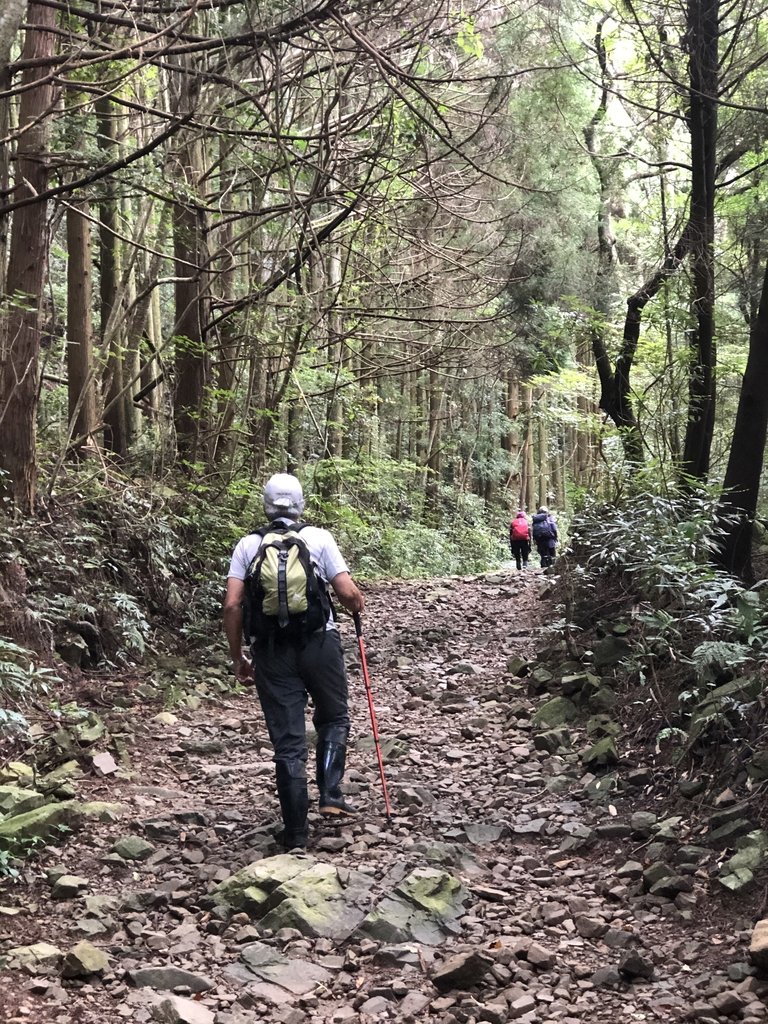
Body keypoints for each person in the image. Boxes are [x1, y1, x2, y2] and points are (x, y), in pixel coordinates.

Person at [223, 473, 365, 850]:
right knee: (333, 717)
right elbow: (348, 593)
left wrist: (239, 656)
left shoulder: (248, 545)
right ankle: (331, 794)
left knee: (288, 742)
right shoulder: (319, 538)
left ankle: (296, 833)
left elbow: (232, 604)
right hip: (319, 643)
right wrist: (357, 606)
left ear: (265, 504)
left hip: (270, 651)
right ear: (301, 504)